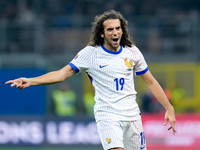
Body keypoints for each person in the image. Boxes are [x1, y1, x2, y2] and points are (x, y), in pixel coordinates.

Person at [5, 10, 176, 150]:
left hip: (133, 116)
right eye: (110, 29)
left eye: (118, 28)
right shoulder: (90, 54)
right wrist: (31, 80)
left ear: (122, 30)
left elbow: (150, 81)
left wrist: (168, 107)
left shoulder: (132, 51)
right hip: (108, 115)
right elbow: (62, 74)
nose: (115, 32)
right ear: (102, 34)